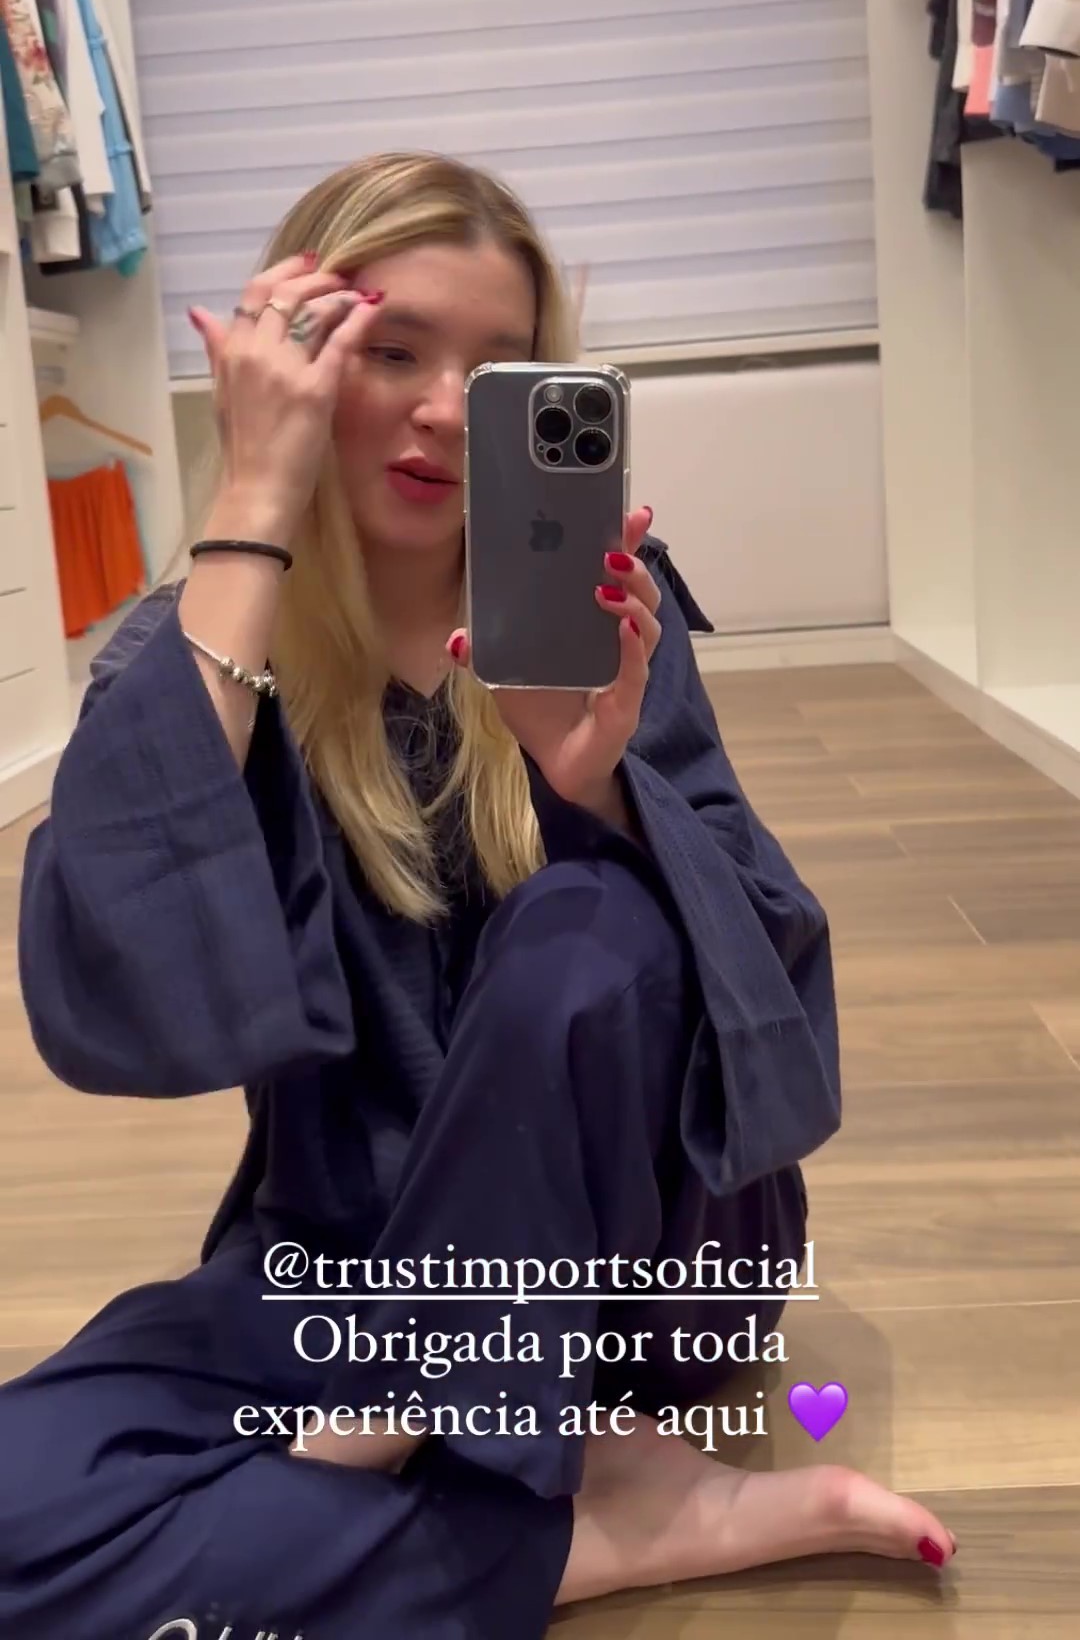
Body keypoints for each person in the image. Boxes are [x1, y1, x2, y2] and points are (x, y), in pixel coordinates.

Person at [1, 153, 955, 1639]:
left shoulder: (601, 610)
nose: (446, 410)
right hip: (347, 1262)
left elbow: (767, 1020)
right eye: (390, 351)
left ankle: (395, 1450)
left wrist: (594, 798)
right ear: (294, 360)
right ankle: (612, 1529)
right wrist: (251, 501)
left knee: (587, 932)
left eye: (495, 369)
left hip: (630, 1280)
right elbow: (123, 1011)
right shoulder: (202, 649)